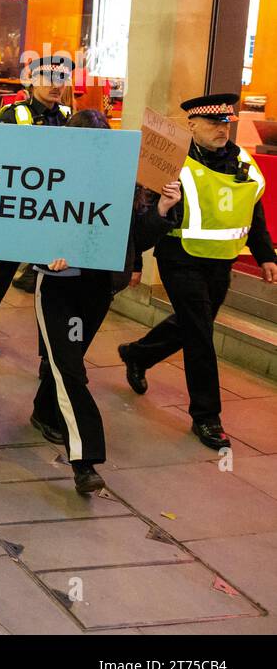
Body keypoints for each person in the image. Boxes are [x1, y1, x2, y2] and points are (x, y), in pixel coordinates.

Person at [32, 110, 182, 493]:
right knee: (70, 368)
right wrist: (44, 254)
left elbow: (137, 238)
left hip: (97, 289)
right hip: (58, 286)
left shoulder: (121, 185)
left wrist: (163, 210)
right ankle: (85, 460)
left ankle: (43, 410)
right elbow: (25, 224)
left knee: (68, 359)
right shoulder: (48, 177)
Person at [118, 93, 276, 451]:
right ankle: (207, 416)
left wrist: (266, 255)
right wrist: (135, 262)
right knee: (201, 334)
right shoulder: (169, 161)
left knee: (194, 323)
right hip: (179, 256)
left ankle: (138, 354)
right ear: (191, 125)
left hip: (221, 260)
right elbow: (139, 211)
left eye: (226, 123)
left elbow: (255, 210)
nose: (223, 129)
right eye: (213, 123)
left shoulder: (242, 161)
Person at [0, 54, 75, 356]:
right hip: (19, 207)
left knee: (55, 276)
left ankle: (54, 344)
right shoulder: (14, 113)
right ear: (32, 80)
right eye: (49, 78)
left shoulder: (68, 115)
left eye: (61, 79)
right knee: (1, 270)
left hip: (53, 209)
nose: (56, 85)